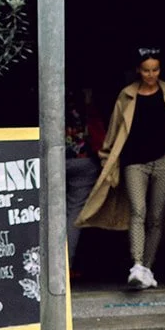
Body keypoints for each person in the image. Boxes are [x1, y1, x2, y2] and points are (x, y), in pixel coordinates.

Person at [76, 49, 165, 289]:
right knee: (138, 211)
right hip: (133, 163)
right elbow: (113, 135)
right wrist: (108, 163)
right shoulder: (126, 96)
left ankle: (147, 267)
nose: (151, 75)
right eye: (146, 70)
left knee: (156, 217)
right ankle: (136, 265)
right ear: (138, 70)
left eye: (155, 70)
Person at [64, 89, 104, 272]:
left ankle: (39, 267)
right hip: (83, 160)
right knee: (74, 213)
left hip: (50, 160)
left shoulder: (39, 97)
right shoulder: (85, 104)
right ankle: (65, 266)